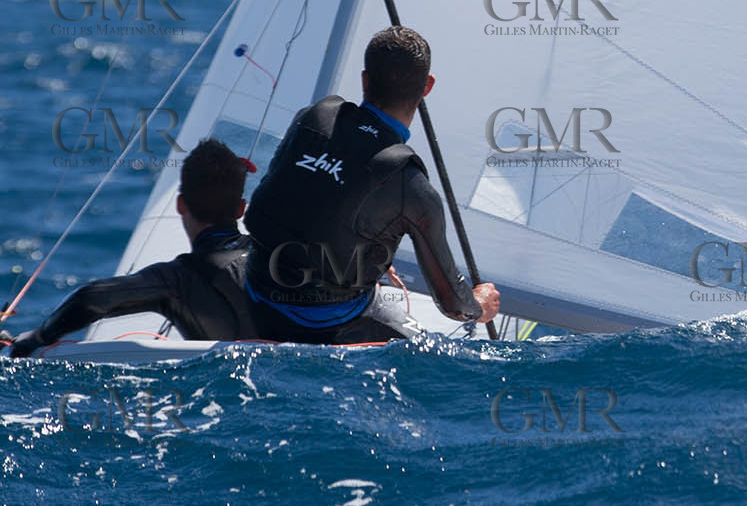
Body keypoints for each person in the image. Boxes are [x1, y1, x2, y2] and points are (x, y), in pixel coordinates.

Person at [243, 26, 500, 343]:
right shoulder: (411, 185)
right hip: (324, 320)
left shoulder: (311, 118)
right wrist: (478, 304)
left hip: (255, 291)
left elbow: (303, 198)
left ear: (365, 80)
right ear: (427, 87)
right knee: (433, 352)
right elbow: (452, 303)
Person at [5, 139, 255, 357]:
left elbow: (92, 299)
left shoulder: (175, 281)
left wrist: (39, 336)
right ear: (241, 209)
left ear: (180, 205)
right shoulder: (276, 258)